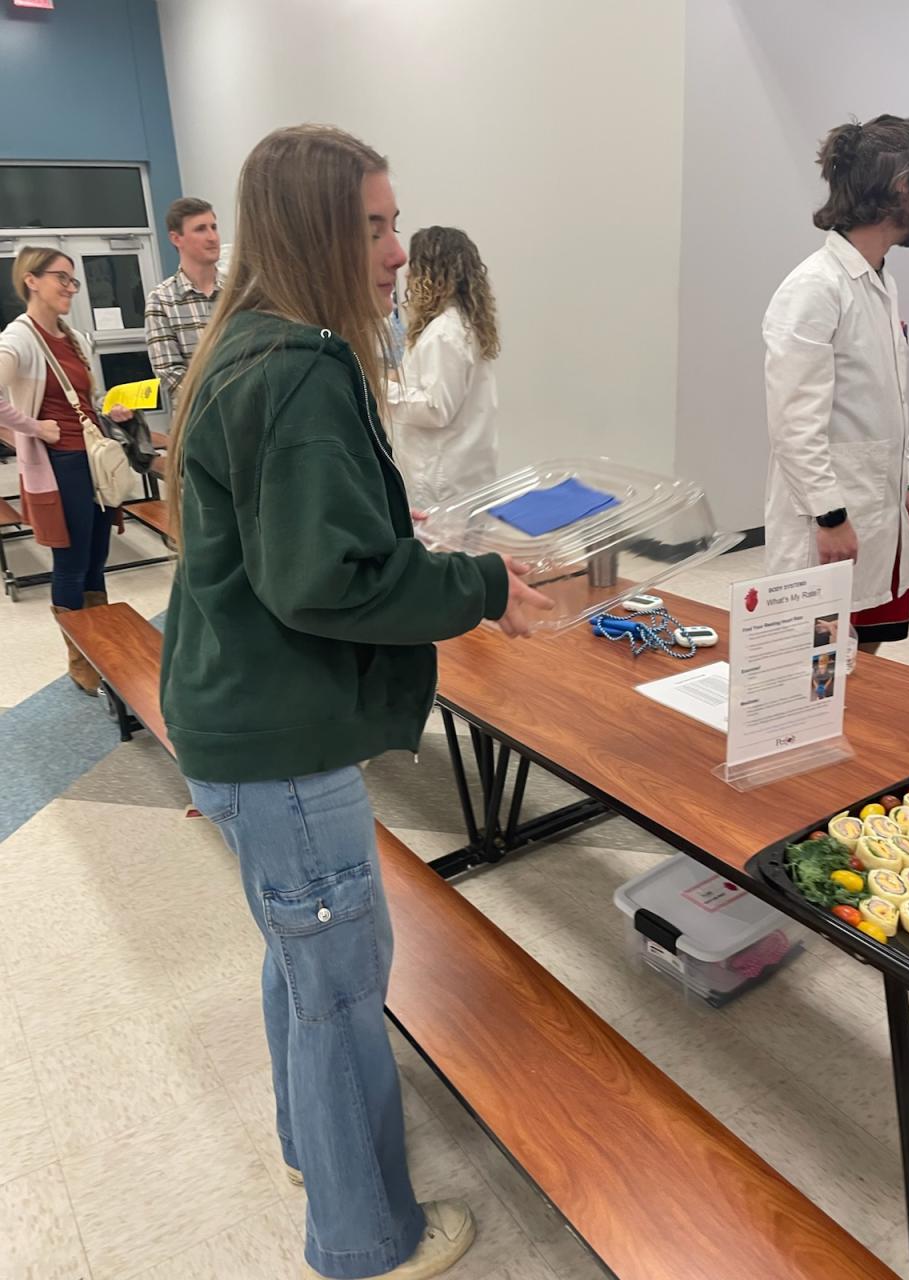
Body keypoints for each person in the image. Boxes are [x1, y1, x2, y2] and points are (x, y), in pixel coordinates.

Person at [160, 124, 551, 1280]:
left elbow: (297, 547)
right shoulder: (301, 366)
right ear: (314, 233)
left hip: (239, 717)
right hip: (277, 739)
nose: (394, 253)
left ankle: (309, 1149)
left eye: (395, 225)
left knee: (300, 962)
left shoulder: (246, 344)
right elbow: (322, 579)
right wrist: (480, 586)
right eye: (373, 227)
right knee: (338, 985)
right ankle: (366, 1237)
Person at [763, 114, 909, 653]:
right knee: (814, 667)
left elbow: (890, 402)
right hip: (831, 521)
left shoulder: (880, 280)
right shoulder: (814, 289)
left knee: (866, 660)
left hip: (880, 513)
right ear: (898, 187)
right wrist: (831, 516)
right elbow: (793, 426)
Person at [0, 247, 134, 693]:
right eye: (62, 278)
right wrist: (34, 426)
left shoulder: (74, 337)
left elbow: (83, 401)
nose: (71, 288)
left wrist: (109, 408)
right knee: (72, 563)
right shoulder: (20, 338)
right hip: (62, 465)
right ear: (31, 280)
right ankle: (80, 658)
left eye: (73, 280)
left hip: (93, 459)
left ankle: (102, 645)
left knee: (96, 559)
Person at [387, 227, 499, 510]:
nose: (406, 274)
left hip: (441, 485)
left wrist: (380, 389)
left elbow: (436, 409)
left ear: (431, 272)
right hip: (460, 478)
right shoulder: (460, 325)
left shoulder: (444, 333)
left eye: (414, 265)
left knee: (439, 538)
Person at [144, 197, 223, 402]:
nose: (212, 237)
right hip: (199, 414)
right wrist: (222, 398)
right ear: (176, 238)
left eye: (214, 227)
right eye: (200, 229)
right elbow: (169, 374)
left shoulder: (239, 291)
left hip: (249, 410)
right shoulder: (161, 300)